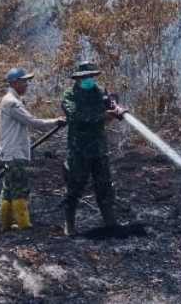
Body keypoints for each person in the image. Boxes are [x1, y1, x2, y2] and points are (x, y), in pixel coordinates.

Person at [0, 67, 66, 232]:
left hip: (12, 150)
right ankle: (23, 224)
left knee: (9, 188)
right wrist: (55, 121)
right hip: (14, 151)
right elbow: (33, 122)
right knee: (20, 187)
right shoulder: (12, 102)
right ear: (14, 83)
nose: (26, 84)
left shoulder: (13, 100)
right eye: (24, 81)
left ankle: (6, 225)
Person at [61, 61, 124, 236]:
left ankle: (110, 221)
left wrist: (114, 110)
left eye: (91, 76)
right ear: (78, 78)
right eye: (85, 77)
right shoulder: (69, 96)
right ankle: (70, 225)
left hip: (99, 148)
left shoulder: (99, 92)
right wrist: (101, 115)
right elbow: (76, 117)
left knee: (104, 185)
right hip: (79, 149)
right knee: (74, 186)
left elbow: (108, 109)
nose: (89, 79)